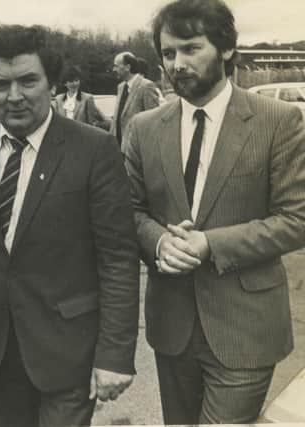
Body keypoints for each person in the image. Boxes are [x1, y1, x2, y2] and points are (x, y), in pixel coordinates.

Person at [0, 25, 140, 427]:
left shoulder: (94, 149)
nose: (14, 96)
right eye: (1, 84)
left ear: (52, 83)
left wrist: (114, 355)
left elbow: (118, 258)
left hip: (68, 353)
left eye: (28, 81)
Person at [123, 0, 305, 424]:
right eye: (168, 54)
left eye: (190, 48)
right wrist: (159, 241)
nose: (177, 64)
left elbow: (297, 218)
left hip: (246, 328)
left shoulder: (278, 121)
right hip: (172, 327)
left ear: (226, 48)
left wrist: (209, 244)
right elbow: (126, 211)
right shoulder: (145, 128)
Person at [110, 51, 161, 146]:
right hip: (118, 146)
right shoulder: (120, 87)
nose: (113, 69)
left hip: (136, 148)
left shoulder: (146, 86)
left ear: (127, 67)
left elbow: (153, 121)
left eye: (116, 66)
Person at [53, 65, 109, 129]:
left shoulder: (88, 98)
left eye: (76, 80)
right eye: (71, 81)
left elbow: (91, 123)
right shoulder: (58, 99)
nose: (74, 83)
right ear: (65, 83)